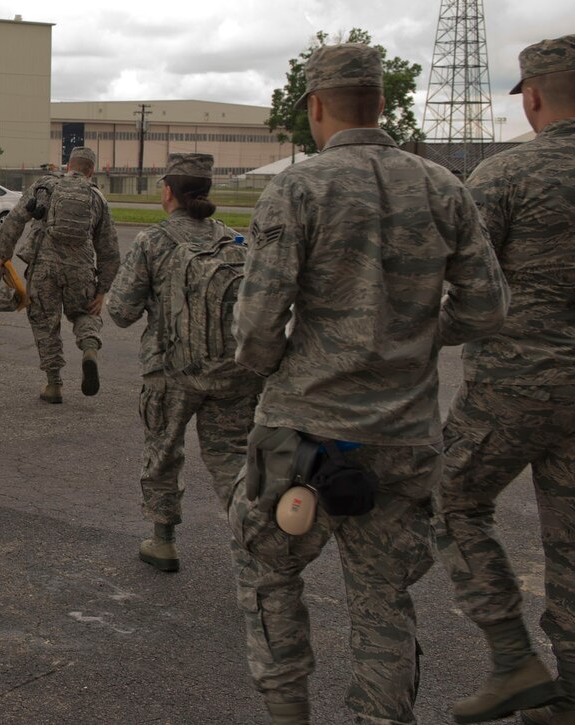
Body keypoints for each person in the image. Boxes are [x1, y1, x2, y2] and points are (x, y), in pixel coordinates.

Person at [229, 43, 509, 724]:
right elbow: (486, 307)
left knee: (268, 571)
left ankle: (288, 708)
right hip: (404, 436)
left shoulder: (298, 188)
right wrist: (414, 341)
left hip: (304, 429)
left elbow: (259, 325)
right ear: (381, 102)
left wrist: (274, 366)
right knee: (384, 594)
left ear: (316, 106)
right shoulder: (442, 186)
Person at [433, 34, 575, 725]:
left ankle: (514, 657)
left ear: (536, 95)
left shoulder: (506, 175)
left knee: (452, 499)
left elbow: (460, 286)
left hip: (515, 384)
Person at [107, 152, 262, 572]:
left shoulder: (152, 241)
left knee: (163, 451)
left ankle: (163, 541)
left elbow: (120, 312)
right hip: (233, 372)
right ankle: (255, 538)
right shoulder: (236, 240)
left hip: (170, 371)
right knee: (232, 459)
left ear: (169, 192)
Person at [0, 146, 120, 404]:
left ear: (68, 165)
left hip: (44, 267)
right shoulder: (97, 197)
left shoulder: (45, 187)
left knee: (45, 322)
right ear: (91, 170)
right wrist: (101, 290)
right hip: (81, 269)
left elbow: (15, 220)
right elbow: (109, 250)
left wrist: (4, 254)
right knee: (85, 312)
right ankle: (89, 349)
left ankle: (54, 384)